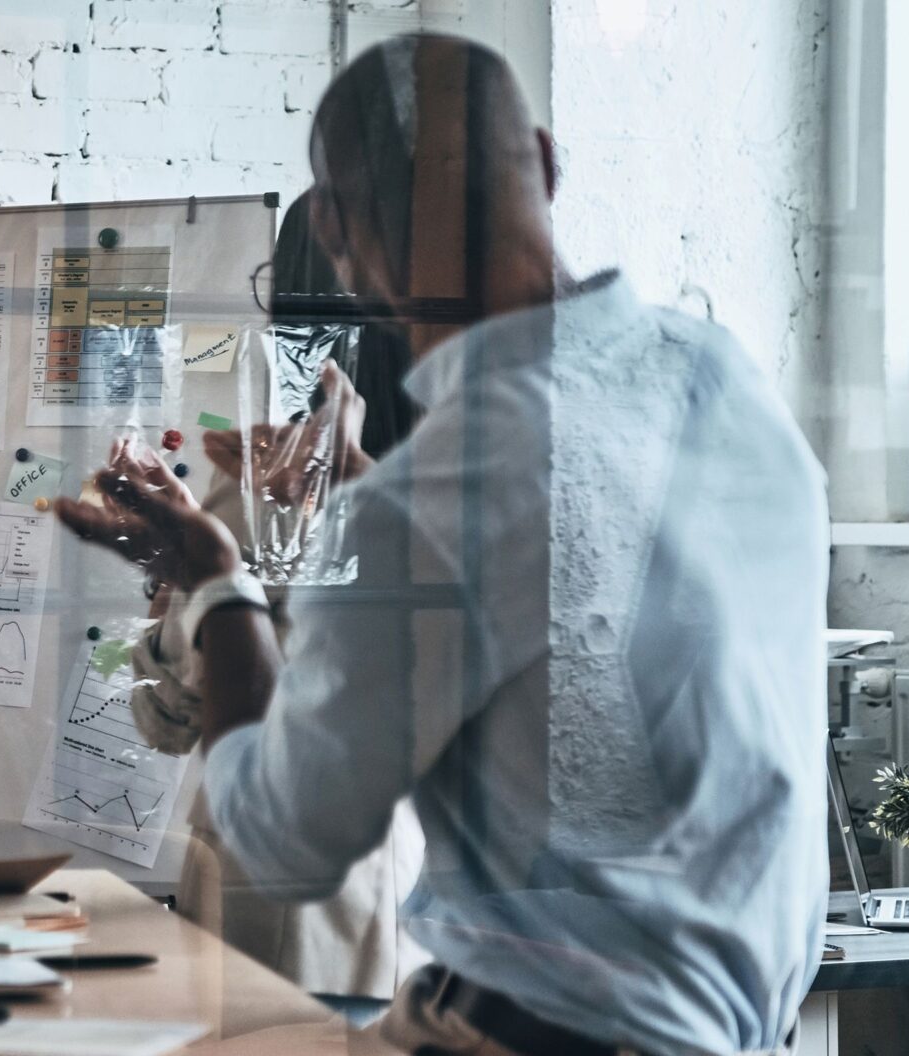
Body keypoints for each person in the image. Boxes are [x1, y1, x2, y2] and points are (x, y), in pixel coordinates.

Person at [57, 35, 825, 1056]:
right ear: (545, 164)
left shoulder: (426, 498)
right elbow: (559, 582)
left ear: (332, 229)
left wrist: (215, 587)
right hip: (747, 1025)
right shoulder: (725, 382)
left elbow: (283, 840)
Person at [127, 194, 427, 1024]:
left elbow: (168, 719)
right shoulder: (455, 480)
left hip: (273, 902)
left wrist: (171, 600)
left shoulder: (263, 486)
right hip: (391, 902)